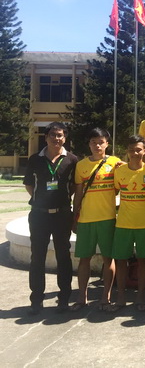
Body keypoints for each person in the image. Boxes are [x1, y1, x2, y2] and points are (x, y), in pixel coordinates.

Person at [24, 122, 78, 315]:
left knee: (63, 256)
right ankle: (36, 300)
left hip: (62, 214)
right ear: (46, 137)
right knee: (37, 257)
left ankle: (64, 299)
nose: (57, 138)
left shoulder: (72, 160)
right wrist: (41, 201)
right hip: (39, 215)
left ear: (65, 138)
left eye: (61, 135)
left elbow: (74, 186)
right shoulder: (35, 159)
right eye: (53, 135)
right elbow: (29, 185)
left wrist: (62, 200)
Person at [71, 128, 121, 311]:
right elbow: (78, 194)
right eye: (94, 142)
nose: (97, 145)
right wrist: (74, 216)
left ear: (107, 143)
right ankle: (81, 297)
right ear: (89, 144)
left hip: (108, 219)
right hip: (85, 220)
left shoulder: (115, 163)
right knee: (84, 259)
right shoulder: (81, 165)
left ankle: (105, 297)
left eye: (101, 142)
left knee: (109, 259)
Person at [110, 135, 145, 312]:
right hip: (123, 225)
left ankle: (140, 298)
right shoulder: (119, 171)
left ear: (144, 151)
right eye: (132, 150)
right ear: (127, 152)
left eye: (139, 149)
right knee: (121, 261)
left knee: (143, 262)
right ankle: (120, 297)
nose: (135, 153)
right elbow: (113, 193)